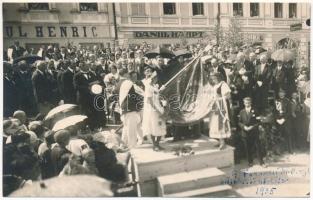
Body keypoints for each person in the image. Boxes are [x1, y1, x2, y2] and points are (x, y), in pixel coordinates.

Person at [142, 69, 167, 151]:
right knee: (153, 126)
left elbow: (157, 95)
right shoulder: (148, 87)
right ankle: (154, 144)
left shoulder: (155, 86)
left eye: (156, 77)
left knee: (160, 125)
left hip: (158, 106)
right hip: (152, 109)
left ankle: (157, 144)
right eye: (155, 77)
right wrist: (157, 110)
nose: (156, 78)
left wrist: (161, 91)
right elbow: (149, 100)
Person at [238, 97, 265, 167]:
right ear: (244, 103)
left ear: (251, 103)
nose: (247, 104)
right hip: (245, 132)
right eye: (246, 103)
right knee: (247, 148)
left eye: (248, 102)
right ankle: (250, 161)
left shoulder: (255, 111)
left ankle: (261, 162)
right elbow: (239, 122)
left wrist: (252, 127)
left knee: (258, 147)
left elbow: (259, 122)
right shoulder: (241, 112)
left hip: (254, 132)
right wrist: (244, 127)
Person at [208, 72, 231, 150]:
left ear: (218, 77)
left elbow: (228, 96)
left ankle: (223, 142)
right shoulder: (215, 86)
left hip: (221, 106)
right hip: (215, 106)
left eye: (214, 78)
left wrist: (218, 99)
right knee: (215, 123)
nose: (213, 80)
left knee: (221, 123)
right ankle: (219, 140)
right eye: (212, 79)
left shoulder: (223, 84)